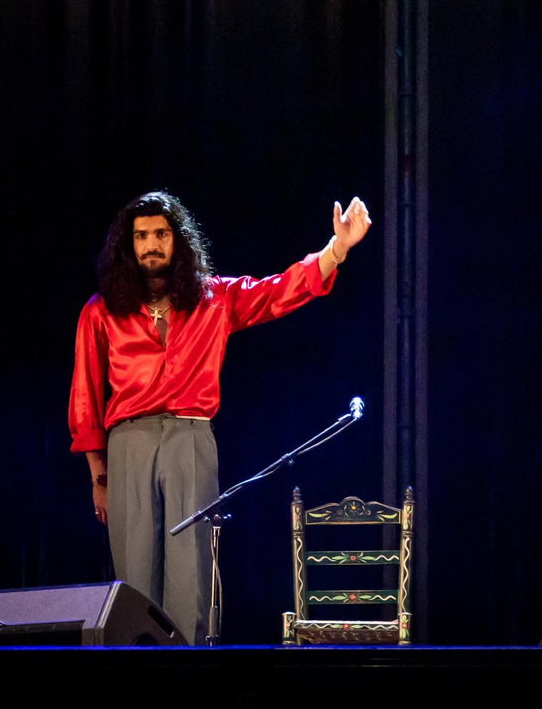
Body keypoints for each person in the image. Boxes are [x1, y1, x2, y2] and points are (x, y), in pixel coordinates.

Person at [68, 190, 372, 644]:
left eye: (161, 235)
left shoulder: (214, 299)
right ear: (128, 246)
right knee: (134, 576)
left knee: (191, 571)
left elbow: (277, 292)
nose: (151, 245)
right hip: (128, 444)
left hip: (190, 437)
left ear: (179, 242)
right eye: (142, 236)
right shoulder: (101, 310)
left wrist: (336, 250)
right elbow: (86, 398)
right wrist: (98, 475)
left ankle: (191, 677)